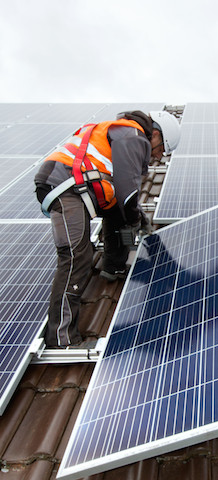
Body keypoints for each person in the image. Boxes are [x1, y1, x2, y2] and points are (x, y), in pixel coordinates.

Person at [34, 110, 181, 349]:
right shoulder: (135, 138)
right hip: (65, 185)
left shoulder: (122, 133)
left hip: (79, 183)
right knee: (76, 256)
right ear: (154, 135)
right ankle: (61, 338)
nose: (157, 157)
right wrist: (136, 219)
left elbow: (120, 202)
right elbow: (128, 192)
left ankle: (112, 267)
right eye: (160, 150)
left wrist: (138, 218)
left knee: (118, 216)